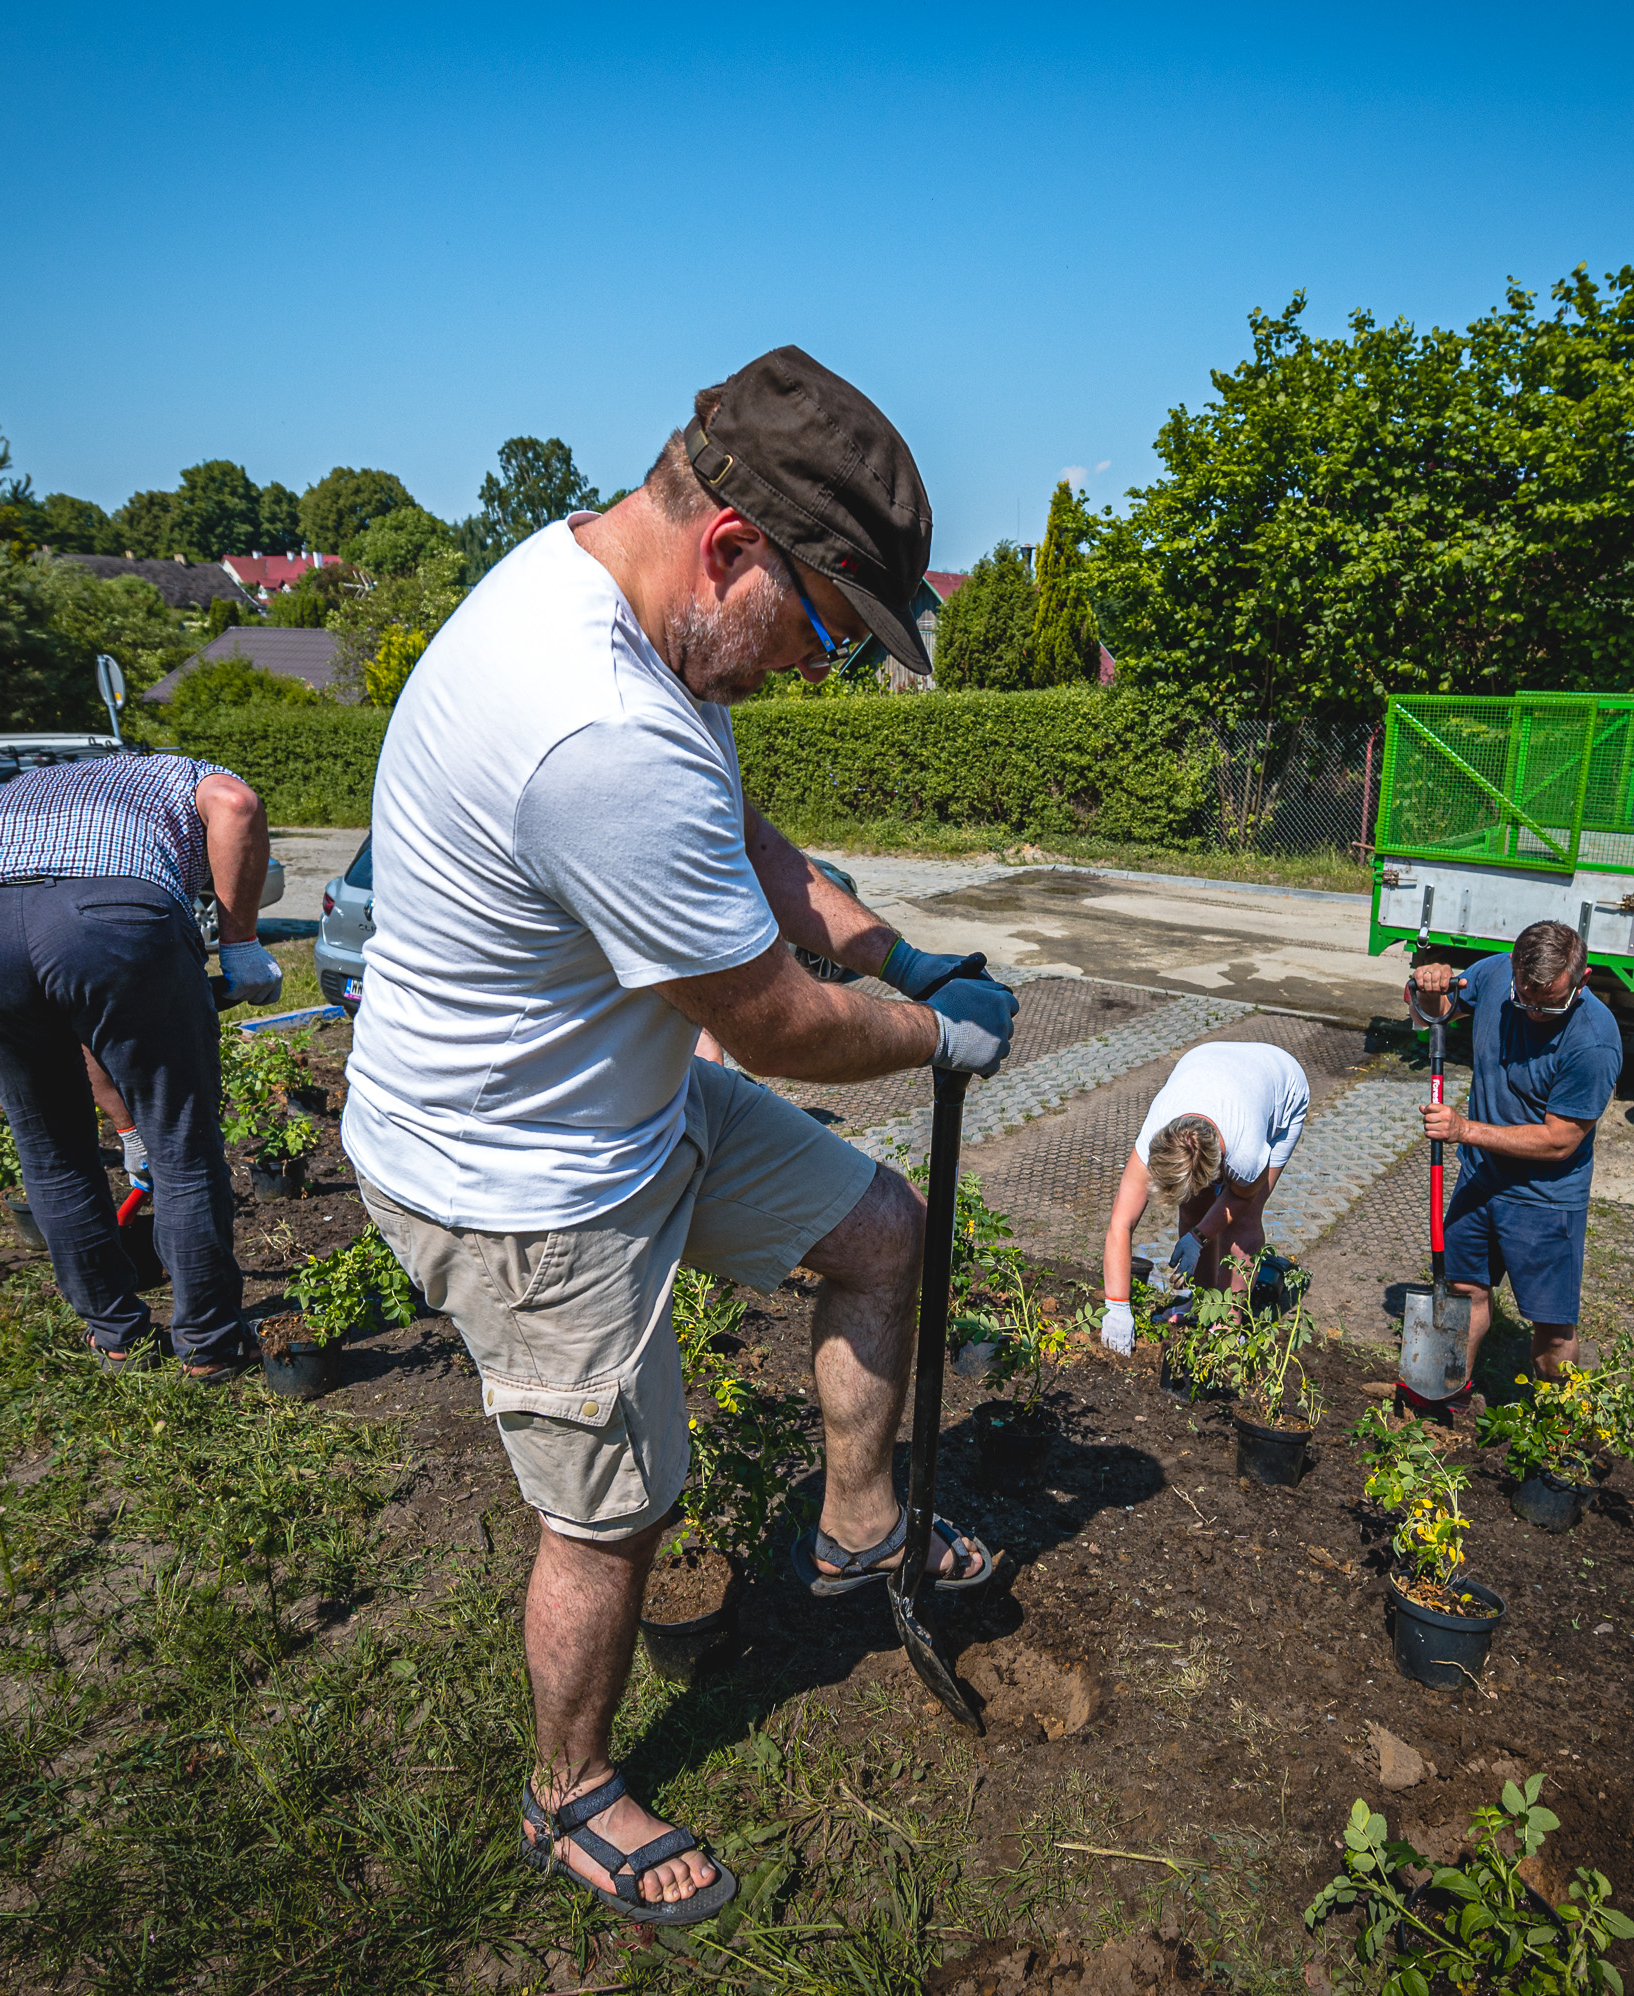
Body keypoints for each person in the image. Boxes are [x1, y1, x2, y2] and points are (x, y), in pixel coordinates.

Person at [344, 347, 1017, 1928]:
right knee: (617, 1507)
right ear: (732, 548)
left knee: (880, 1231)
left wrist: (895, 949)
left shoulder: (629, 616)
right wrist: (932, 1035)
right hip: (519, 1176)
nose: (814, 671)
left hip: (620, 1097)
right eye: (825, 632)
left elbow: (736, 833)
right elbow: (780, 1026)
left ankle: (858, 1527)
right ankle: (569, 1791)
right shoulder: (591, 728)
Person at [0, 751, 283, 1381]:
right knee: (182, 1143)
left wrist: (125, 1129)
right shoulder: (185, 773)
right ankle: (210, 1344)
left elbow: (73, 1006)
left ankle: (117, 1340)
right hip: (113, 905)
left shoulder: (32, 786)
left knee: (49, 1147)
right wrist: (240, 944)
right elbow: (235, 806)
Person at [1406, 919, 1621, 1401]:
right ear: (1513, 969)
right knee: (1463, 1292)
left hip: (1544, 1198)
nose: (1535, 1013)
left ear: (1582, 980)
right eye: (1524, 999)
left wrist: (1465, 1131)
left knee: (1553, 1331)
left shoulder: (1594, 1040)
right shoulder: (1494, 974)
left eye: (1551, 1004)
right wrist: (1430, 985)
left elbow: (1560, 1141)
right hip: (1481, 1179)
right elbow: (1432, 1014)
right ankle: (1441, 1395)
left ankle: (1556, 1424)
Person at [1095, 1041, 1310, 1352]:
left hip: (1282, 1085)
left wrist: (1198, 1238)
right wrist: (1116, 1307)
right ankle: (1202, 1304)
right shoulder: (1156, 1136)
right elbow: (1120, 1223)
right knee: (1195, 1207)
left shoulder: (1246, 1154)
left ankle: (1228, 1321)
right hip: (1209, 1062)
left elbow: (1241, 1199)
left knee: (1243, 1223)